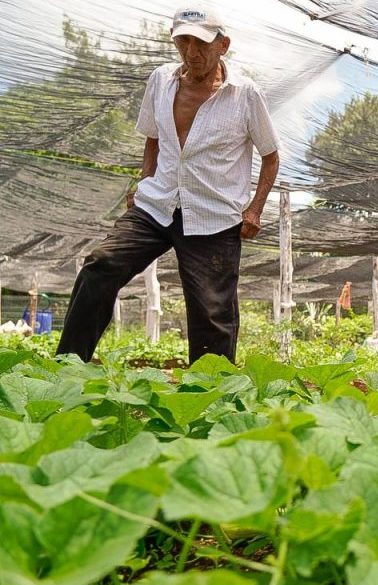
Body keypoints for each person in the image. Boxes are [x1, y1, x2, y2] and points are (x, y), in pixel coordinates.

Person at [56, 6, 279, 365]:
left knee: (211, 313)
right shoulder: (161, 79)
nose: (191, 53)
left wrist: (254, 208)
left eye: (201, 43)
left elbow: (270, 156)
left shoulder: (246, 95)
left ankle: (208, 398)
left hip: (214, 216)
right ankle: (66, 366)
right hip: (156, 205)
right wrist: (145, 181)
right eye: (183, 42)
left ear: (223, 45)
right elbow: (153, 138)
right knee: (101, 264)